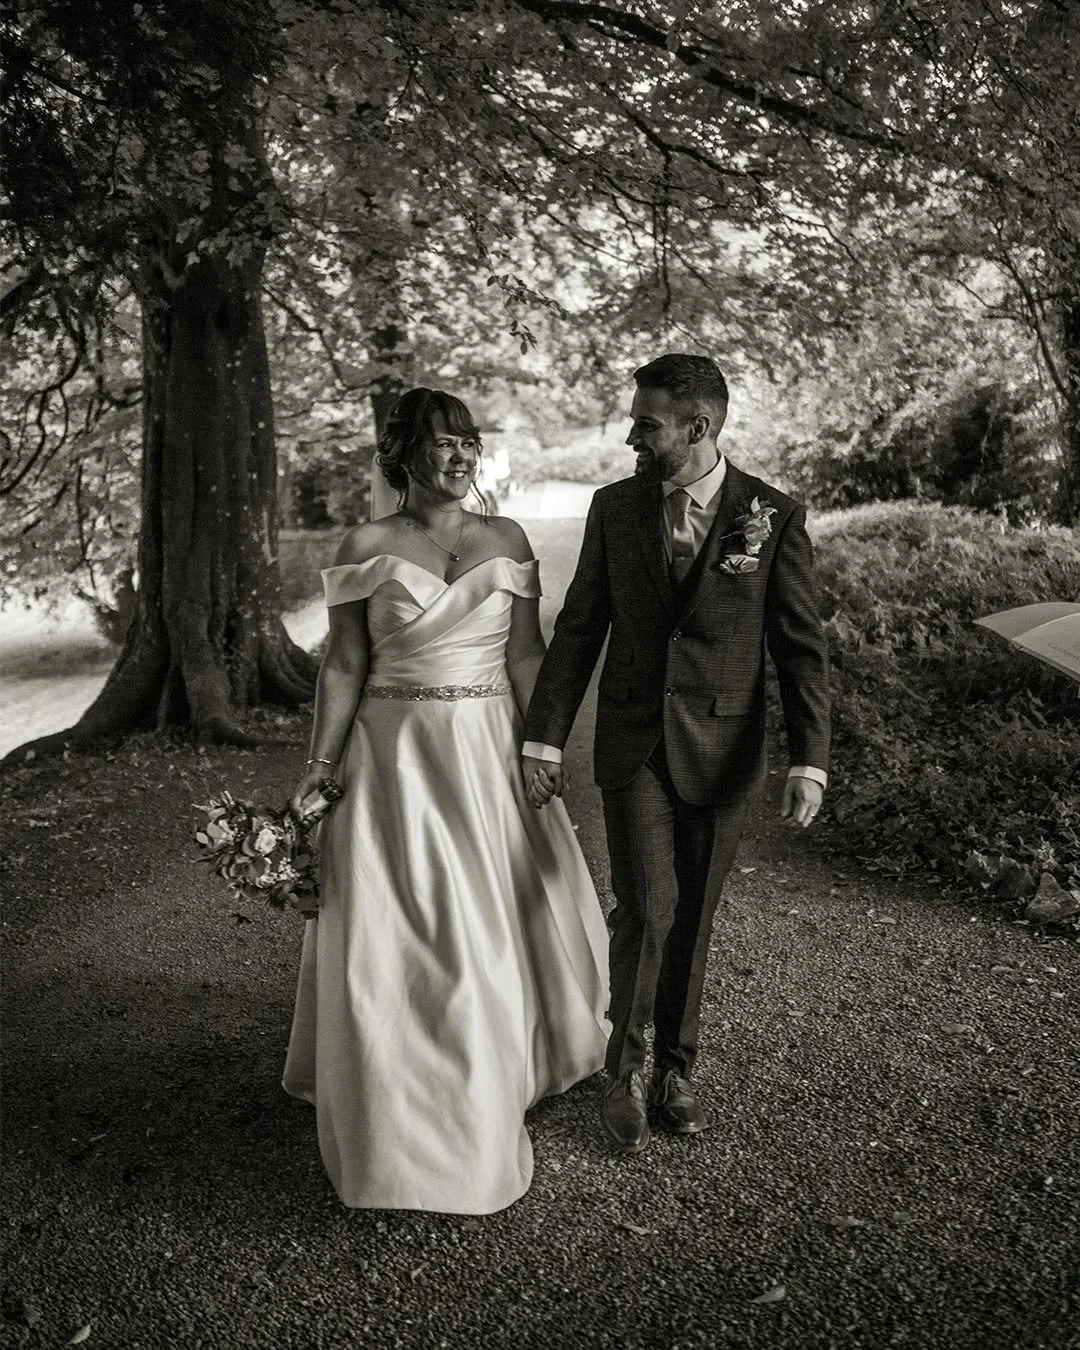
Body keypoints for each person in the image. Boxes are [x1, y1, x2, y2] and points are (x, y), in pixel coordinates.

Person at [283, 387, 610, 1214]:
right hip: (394, 759)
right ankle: (405, 1100)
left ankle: (503, 1062)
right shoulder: (366, 545)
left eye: (469, 442)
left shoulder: (508, 539)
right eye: (443, 442)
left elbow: (527, 653)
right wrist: (321, 763)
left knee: (494, 912)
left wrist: (542, 744)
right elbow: (345, 663)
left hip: (489, 749)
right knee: (408, 921)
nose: (460, 456)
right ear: (404, 454)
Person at [521, 354, 830, 1155]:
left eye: (646, 424)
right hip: (634, 744)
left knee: (694, 915)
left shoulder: (773, 515)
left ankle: (676, 1072)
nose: (633, 437)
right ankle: (622, 1071)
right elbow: (581, 625)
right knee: (646, 906)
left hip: (724, 748)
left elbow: (799, 646)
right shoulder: (614, 508)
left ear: (697, 427)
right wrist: (543, 736)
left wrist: (810, 759)